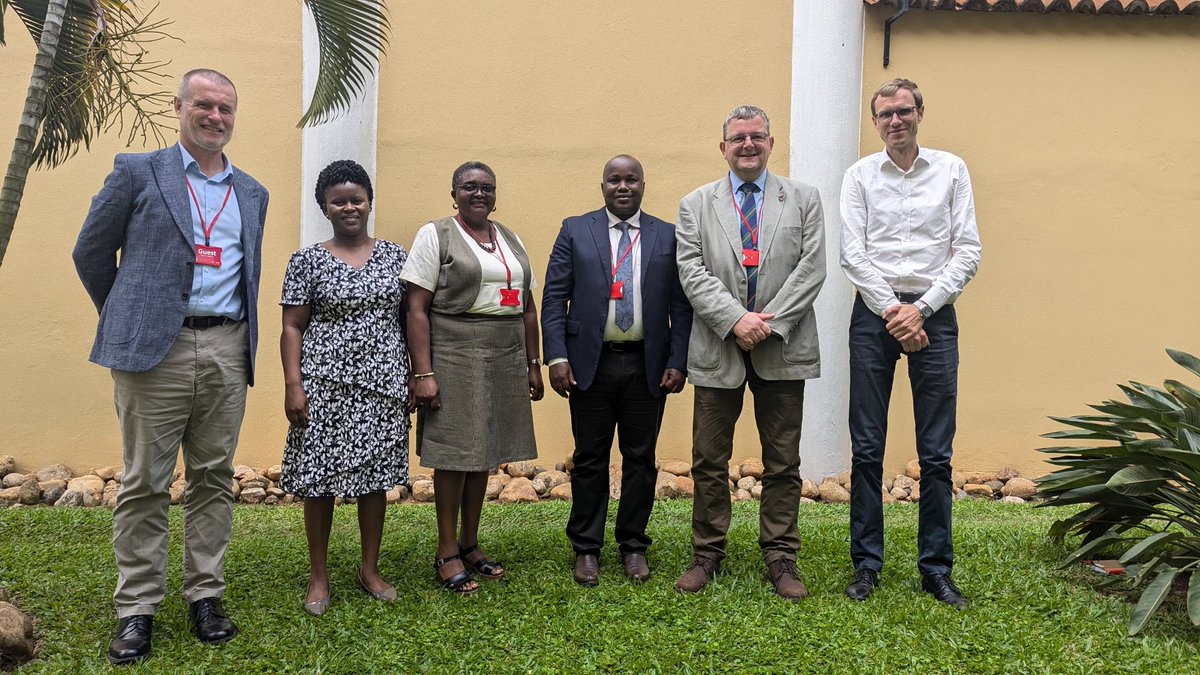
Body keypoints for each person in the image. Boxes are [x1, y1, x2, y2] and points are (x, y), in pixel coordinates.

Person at [73, 68, 268, 665]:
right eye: (204, 105)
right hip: (153, 353)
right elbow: (90, 250)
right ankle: (138, 608)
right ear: (179, 106)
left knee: (213, 477)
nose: (215, 117)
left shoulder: (252, 192)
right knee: (144, 481)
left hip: (227, 348)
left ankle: (205, 595)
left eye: (226, 109)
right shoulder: (138, 171)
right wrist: (129, 316)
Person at [839, 78, 981, 610]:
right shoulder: (859, 176)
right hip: (874, 314)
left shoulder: (951, 169)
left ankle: (936, 569)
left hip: (934, 313)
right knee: (868, 447)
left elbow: (966, 249)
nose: (894, 121)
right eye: (884, 114)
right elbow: (853, 253)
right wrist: (894, 312)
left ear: (920, 112)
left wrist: (920, 310)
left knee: (936, 453)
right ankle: (866, 566)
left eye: (903, 111)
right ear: (875, 122)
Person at [674, 106, 826, 602]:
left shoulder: (803, 199)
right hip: (718, 346)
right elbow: (691, 270)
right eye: (738, 138)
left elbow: (812, 268)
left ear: (770, 143)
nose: (747, 145)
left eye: (756, 137)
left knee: (783, 460)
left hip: (783, 344)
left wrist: (768, 323)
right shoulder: (695, 204)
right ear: (723, 147)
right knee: (708, 458)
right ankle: (707, 552)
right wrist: (735, 320)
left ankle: (781, 555)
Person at [541, 155, 693, 586]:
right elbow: (554, 299)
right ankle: (586, 547)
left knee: (640, 459)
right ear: (602, 185)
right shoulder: (575, 229)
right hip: (590, 363)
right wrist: (557, 356)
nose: (622, 186)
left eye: (631, 179)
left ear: (644, 185)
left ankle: (633, 545)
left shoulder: (667, 235)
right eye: (614, 179)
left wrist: (677, 360)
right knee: (589, 457)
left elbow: (681, 306)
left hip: (648, 363)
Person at [402, 161, 544, 594]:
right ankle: (446, 549)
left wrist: (533, 363)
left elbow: (528, 307)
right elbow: (416, 308)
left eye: (486, 187)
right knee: (456, 452)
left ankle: (470, 542)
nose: (478, 194)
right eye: (469, 186)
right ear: (454, 193)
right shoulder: (436, 234)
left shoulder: (510, 238)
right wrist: (422, 372)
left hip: (504, 353)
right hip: (455, 352)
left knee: (485, 448)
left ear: (495, 195)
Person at [279, 160, 410, 616]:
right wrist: (293, 384)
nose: (349, 207)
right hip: (323, 384)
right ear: (325, 207)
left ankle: (369, 569)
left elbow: (411, 320)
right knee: (318, 480)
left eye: (356, 198)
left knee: (374, 478)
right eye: (339, 201)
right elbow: (292, 326)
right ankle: (319, 575)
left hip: (382, 384)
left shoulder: (397, 256)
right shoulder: (307, 260)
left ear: (369, 202)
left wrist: (415, 374)